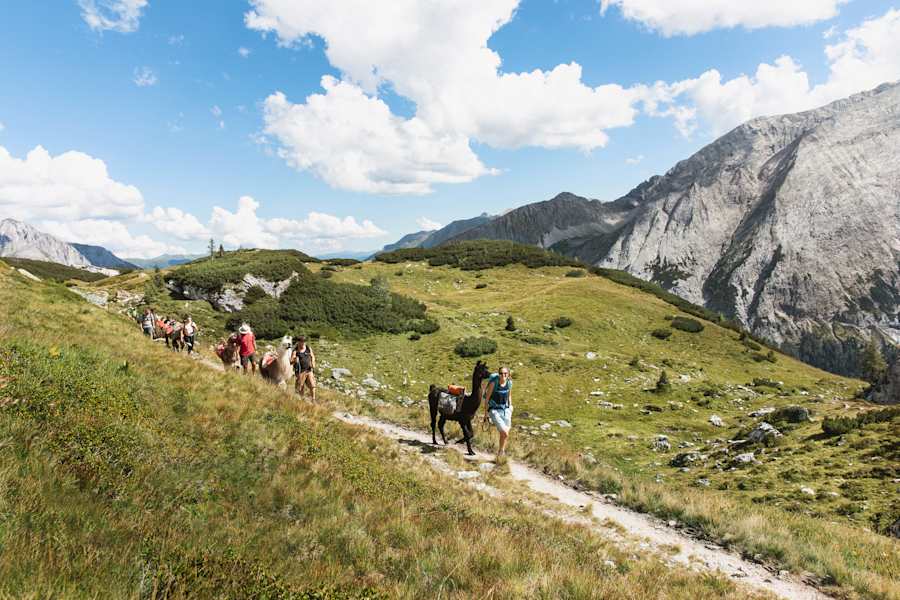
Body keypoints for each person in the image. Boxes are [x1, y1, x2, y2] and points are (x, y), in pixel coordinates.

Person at [483, 366, 513, 457]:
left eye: (505, 373)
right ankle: (501, 452)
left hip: (506, 410)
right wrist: (486, 414)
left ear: (508, 374)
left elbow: (509, 395)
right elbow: (487, 399)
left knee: (505, 434)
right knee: (504, 432)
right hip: (494, 410)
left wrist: (510, 407)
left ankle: (501, 452)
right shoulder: (493, 383)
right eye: (501, 373)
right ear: (499, 374)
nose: (503, 375)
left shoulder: (509, 383)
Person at [291, 335, 316, 401]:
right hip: (300, 372)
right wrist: (295, 360)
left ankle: (313, 399)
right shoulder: (295, 351)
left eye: (304, 341)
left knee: (312, 385)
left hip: (309, 370)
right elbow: (291, 361)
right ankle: (301, 400)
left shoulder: (308, 348)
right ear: (298, 342)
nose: (303, 343)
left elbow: (312, 356)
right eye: (301, 341)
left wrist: (313, 363)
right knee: (300, 387)